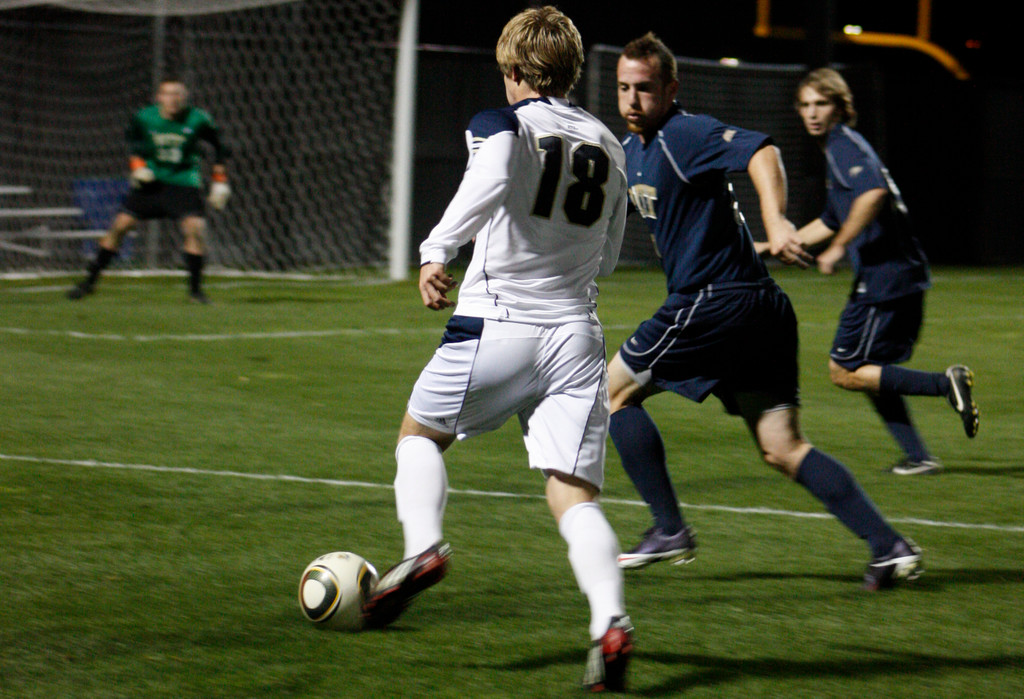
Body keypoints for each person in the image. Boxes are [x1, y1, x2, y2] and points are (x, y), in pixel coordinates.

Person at [360, 7, 633, 692]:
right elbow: (610, 257)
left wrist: (435, 250)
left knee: (418, 434)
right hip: (578, 334)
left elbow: (488, 178)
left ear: (514, 71)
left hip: (499, 322)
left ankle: (423, 549)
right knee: (574, 494)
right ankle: (610, 621)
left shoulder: (502, 123)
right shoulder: (609, 140)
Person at [608, 33, 922, 590]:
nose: (633, 100)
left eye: (646, 89)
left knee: (610, 393)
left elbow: (762, 150)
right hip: (758, 307)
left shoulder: (684, 131)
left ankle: (668, 528)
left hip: (716, 299)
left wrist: (776, 220)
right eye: (624, 88)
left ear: (670, 89)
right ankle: (888, 546)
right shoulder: (633, 151)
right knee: (783, 448)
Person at [793, 67, 978, 475]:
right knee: (870, 371)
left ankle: (944, 384)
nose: (812, 113)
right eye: (805, 105)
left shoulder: (844, 145)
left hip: (885, 277)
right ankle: (919, 456)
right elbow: (829, 219)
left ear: (840, 107)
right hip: (896, 274)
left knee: (844, 369)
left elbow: (873, 193)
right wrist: (775, 245)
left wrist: (838, 248)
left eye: (821, 103)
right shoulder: (838, 151)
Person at [67, 79, 230, 304]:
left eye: (177, 94)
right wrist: (137, 167)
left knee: (194, 229)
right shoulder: (145, 117)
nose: (172, 99)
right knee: (120, 226)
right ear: (158, 97)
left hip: (183, 182)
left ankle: (196, 292)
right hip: (152, 182)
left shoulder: (198, 118)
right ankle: (89, 283)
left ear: (184, 98)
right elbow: (134, 142)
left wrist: (220, 180)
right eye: (167, 94)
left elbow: (220, 145)